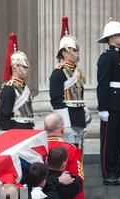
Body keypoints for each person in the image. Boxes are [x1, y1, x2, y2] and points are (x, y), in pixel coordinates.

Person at [97, 19, 120, 185]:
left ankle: (117, 172)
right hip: (111, 105)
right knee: (109, 141)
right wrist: (103, 108)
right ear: (111, 38)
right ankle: (108, 174)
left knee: (118, 141)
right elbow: (103, 84)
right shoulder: (106, 57)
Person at [49, 17, 91, 147]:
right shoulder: (58, 73)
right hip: (67, 119)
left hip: (78, 118)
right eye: (74, 50)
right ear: (65, 53)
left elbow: (79, 95)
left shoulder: (78, 72)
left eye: (77, 50)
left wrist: (85, 112)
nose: (77, 53)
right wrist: (65, 123)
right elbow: (56, 99)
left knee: (78, 153)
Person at [45, 113, 85, 199]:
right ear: (62, 128)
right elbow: (78, 185)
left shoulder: (37, 148)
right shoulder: (71, 150)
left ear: (44, 129)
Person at [0, 33, 34, 131]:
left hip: (28, 129)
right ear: (15, 67)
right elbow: (4, 117)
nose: (27, 70)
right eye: (24, 67)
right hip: (16, 130)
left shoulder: (25, 88)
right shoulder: (9, 88)